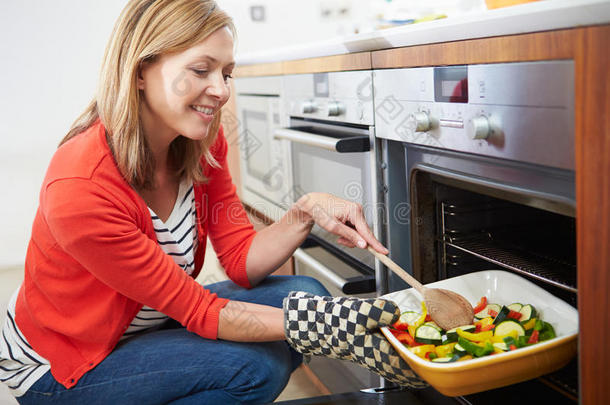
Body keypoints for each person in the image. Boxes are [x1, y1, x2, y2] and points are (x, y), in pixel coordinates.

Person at [0, 1, 425, 404]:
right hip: (68, 363)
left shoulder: (200, 143)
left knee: (306, 294)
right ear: (140, 71)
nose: (220, 91)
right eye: (201, 70)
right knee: (253, 366)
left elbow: (240, 260)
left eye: (226, 73)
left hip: (148, 321)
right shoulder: (81, 187)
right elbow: (202, 311)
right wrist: (336, 326)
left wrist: (306, 211)